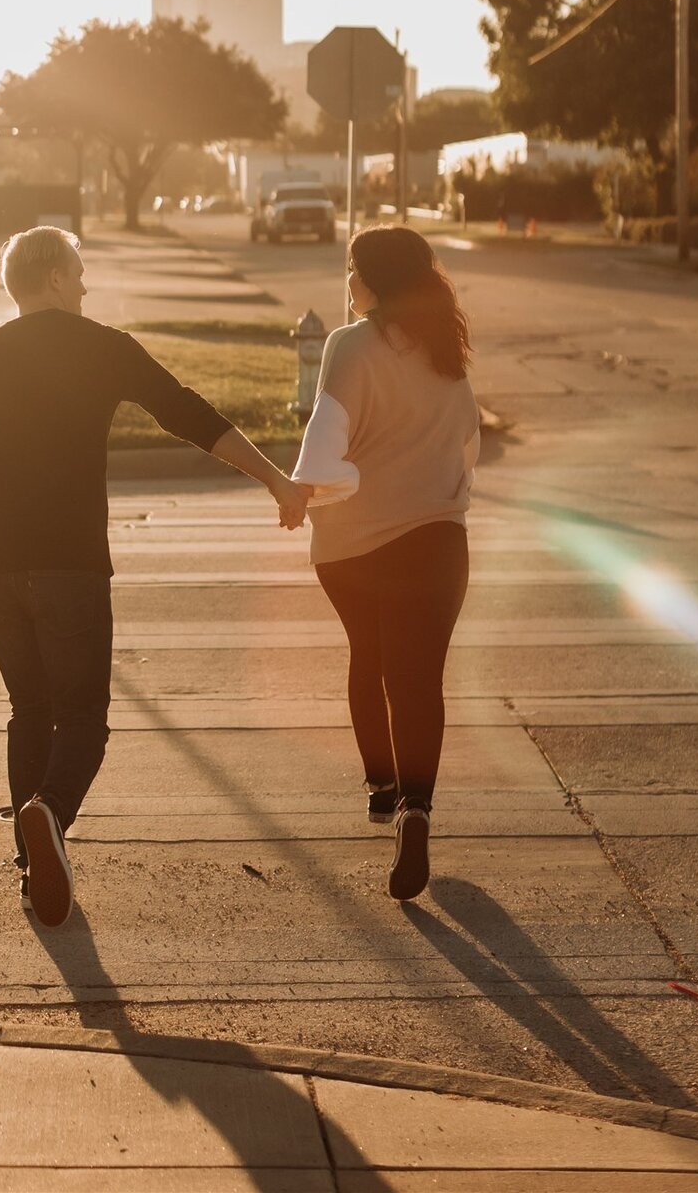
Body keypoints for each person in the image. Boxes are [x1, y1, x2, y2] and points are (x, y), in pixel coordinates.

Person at [0, 225, 309, 928]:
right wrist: (276, 479)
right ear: (57, 279)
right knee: (86, 717)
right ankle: (49, 815)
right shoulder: (101, 347)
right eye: (80, 270)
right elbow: (187, 413)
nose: (87, 284)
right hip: (67, 561)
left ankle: (34, 868)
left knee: (30, 709)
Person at [292, 225, 479, 901]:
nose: (347, 283)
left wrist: (305, 492)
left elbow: (326, 439)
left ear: (373, 278)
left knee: (367, 656)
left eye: (351, 269)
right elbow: (467, 444)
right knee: (420, 679)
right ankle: (417, 809)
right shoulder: (444, 347)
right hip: (437, 541)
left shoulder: (349, 344)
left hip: (354, 543)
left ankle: (382, 788)